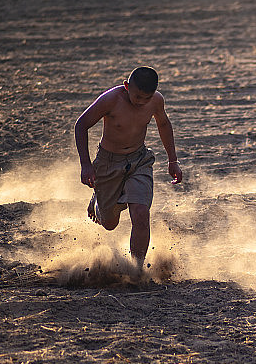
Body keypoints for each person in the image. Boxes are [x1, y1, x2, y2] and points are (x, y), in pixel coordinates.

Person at [75, 66, 182, 268]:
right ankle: (99, 199)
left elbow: (164, 125)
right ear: (126, 86)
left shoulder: (156, 101)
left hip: (139, 160)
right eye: (137, 97)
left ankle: (137, 269)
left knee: (141, 214)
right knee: (109, 224)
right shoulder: (111, 99)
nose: (141, 102)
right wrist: (86, 165)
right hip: (108, 163)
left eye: (146, 98)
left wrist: (173, 160)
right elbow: (81, 125)